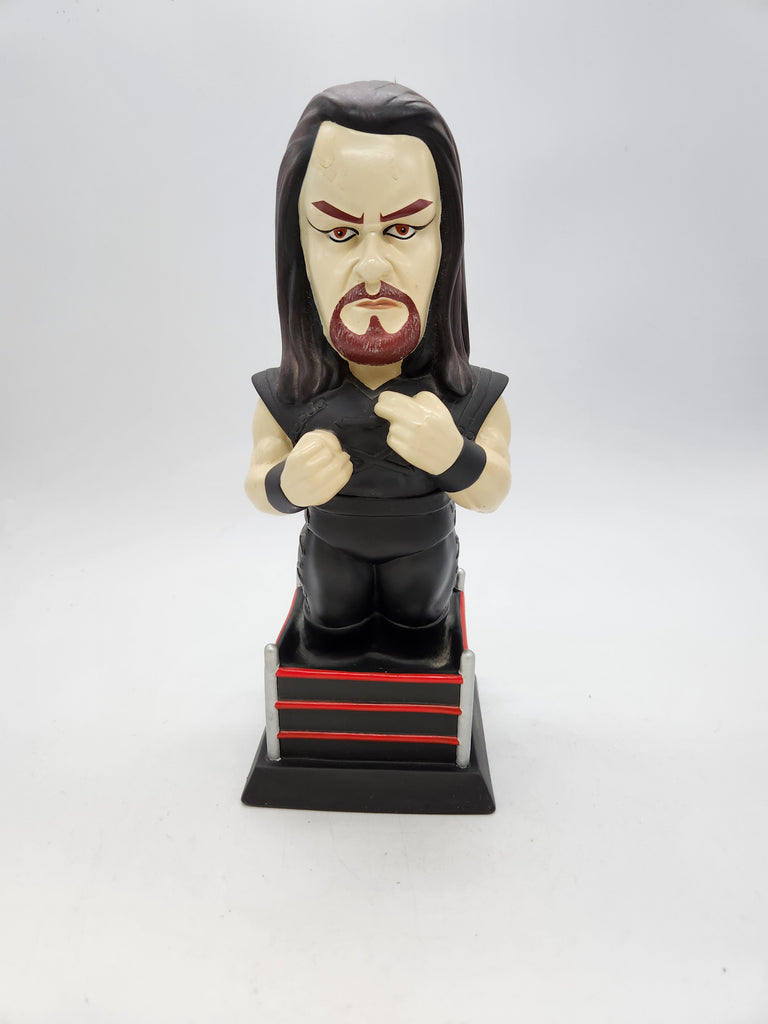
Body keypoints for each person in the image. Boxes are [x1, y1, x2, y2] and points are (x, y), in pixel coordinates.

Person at [245, 81, 510, 634]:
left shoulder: (466, 395)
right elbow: (258, 478)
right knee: (330, 618)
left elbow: (493, 489)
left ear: (445, 241)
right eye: (339, 231)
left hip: (424, 554)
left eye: (403, 229)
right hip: (331, 552)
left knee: (422, 618)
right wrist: (289, 485)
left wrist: (453, 456)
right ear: (300, 248)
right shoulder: (290, 395)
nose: (371, 267)